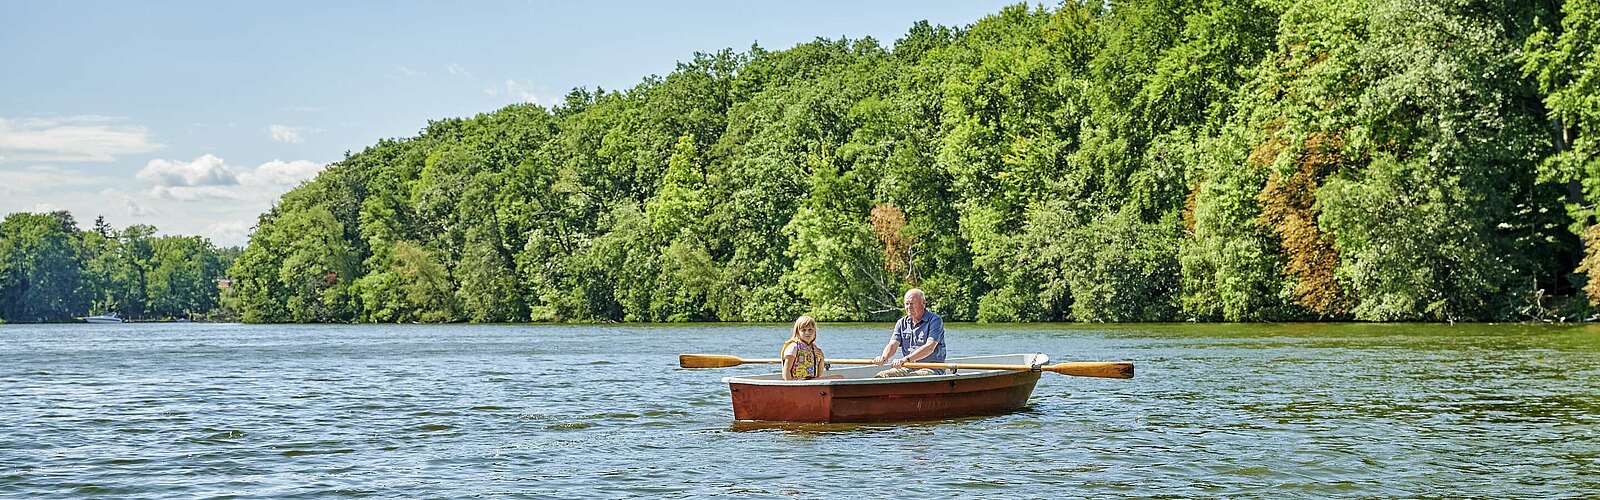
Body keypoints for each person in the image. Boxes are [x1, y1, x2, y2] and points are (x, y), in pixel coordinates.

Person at [871, 288, 947, 378]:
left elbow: (930, 347)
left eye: (912, 304)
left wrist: (906, 359)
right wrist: (884, 357)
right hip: (909, 367)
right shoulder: (901, 323)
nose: (909, 307)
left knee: (912, 377)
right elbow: (893, 344)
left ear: (923, 304)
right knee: (882, 375)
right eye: (907, 304)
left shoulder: (935, 320)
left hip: (932, 369)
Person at [781, 315, 835, 380]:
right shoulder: (793, 347)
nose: (807, 333)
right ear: (797, 332)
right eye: (803, 330)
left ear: (815, 331)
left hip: (810, 381)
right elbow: (786, 372)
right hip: (797, 382)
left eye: (810, 330)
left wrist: (821, 359)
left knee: (839, 377)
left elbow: (818, 374)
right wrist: (792, 387)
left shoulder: (814, 348)